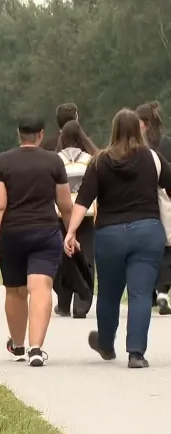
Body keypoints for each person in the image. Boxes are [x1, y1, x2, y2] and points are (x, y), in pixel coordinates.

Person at [65, 108, 171, 369]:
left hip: (110, 235)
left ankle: (106, 344)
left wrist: (71, 231)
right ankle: (136, 353)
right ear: (138, 129)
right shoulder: (153, 159)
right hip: (147, 233)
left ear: (113, 130)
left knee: (109, 294)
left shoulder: (99, 161)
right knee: (140, 293)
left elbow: (83, 200)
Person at [0, 116, 73, 367]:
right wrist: (70, 233)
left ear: (19, 134)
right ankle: (36, 348)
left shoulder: (3, 162)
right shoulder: (53, 161)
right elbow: (65, 205)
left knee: (15, 290)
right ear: (41, 135)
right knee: (41, 288)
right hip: (46, 232)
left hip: (13, 234)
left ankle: (18, 345)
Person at [53, 120, 98, 318]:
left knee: (63, 257)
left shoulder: (55, 159)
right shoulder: (91, 159)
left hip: (61, 214)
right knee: (86, 257)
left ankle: (63, 302)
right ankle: (82, 304)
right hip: (86, 215)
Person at [137, 101, 171, 315]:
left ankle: (149, 292)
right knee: (167, 246)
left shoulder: (138, 147)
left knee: (145, 249)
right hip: (165, 200)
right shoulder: (167, 143)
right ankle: (163, 291)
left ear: (145, 123)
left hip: (142, 202)